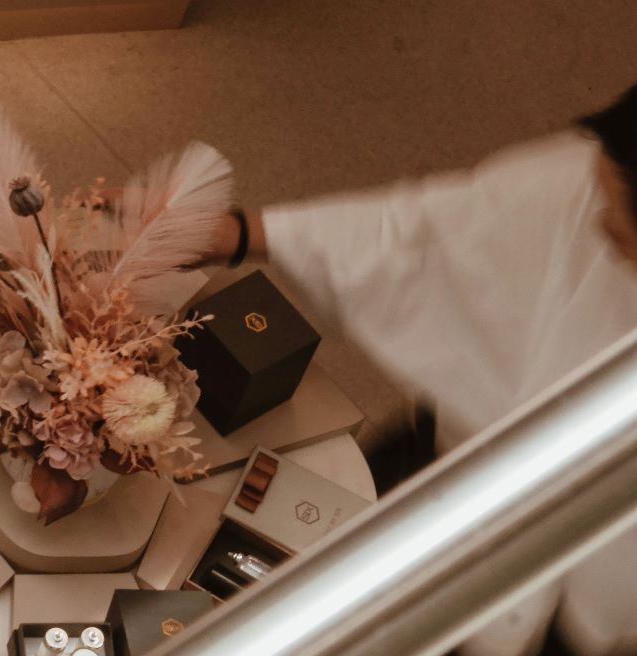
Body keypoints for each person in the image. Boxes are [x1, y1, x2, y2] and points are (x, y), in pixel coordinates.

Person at [225, 86, 637, 654]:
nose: (597, 226)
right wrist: (247, 234)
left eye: (623, 231)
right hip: (458, 463)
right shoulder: (586, 176)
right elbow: (430, 230)